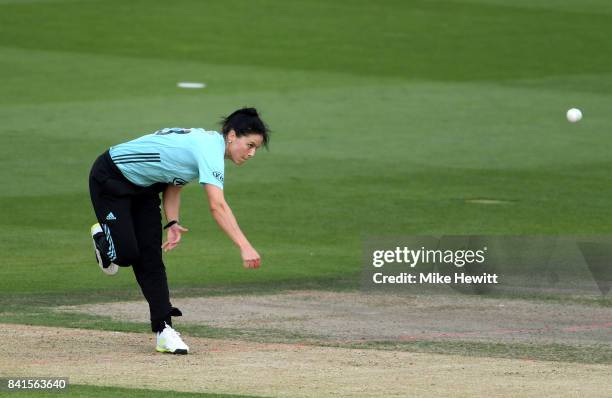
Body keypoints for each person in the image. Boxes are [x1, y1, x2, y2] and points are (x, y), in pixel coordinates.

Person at [88, 107, 269, 354]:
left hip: (146, 188)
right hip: (111, 178)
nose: (252, 153)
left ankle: (164, 330)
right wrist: (244, 245)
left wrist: (171, 223)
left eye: (256, 148)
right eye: (249, 145)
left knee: (151, 258)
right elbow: (217, 206)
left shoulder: (205, 146)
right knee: (126, 255)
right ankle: (102, 238)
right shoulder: (208, 148)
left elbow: (174, 183)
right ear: (232, 135)